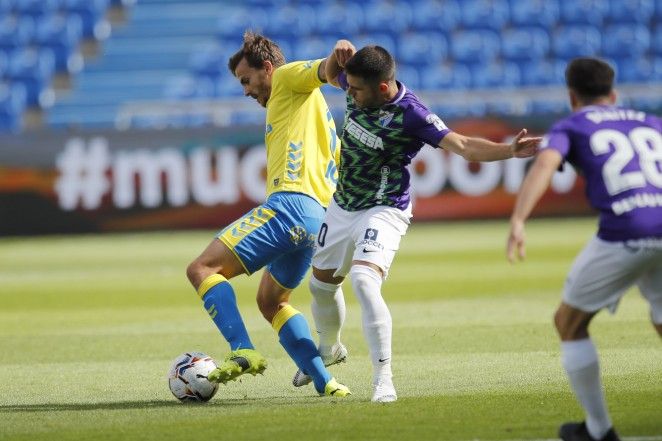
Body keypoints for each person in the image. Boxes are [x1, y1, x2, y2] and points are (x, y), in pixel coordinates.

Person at [291, 41, 541, 402]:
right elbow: (332, 74)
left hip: (385, 207)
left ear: (382, 88)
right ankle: (329, 349)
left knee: (363, 280)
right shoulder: (355, 83)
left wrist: (509, 151)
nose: (350, 93)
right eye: (350, 86)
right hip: (343, 203)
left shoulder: (412, 114)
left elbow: (464, 145)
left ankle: (383, 379)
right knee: (320, 287)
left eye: (357, 89)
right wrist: (336, 55)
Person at [185, 31, 350, 398]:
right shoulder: (313, 110)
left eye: (246, 80)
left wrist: (338, 57)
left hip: (289, 206)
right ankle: (328, 384)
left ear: (268, 68)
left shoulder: (289, 78)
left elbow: (324, 69)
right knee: (271, 302)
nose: (245, 90)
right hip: (318, 220)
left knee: (201, 269)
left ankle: (242, 350)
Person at [506, 57, 662, 441]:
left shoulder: (571, 125)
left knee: (569, 322)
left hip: (625, 229)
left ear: (572, 96)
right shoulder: (651, 122)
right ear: (614, 94)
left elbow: (545, 165)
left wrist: (519, 220)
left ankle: (598, 430)